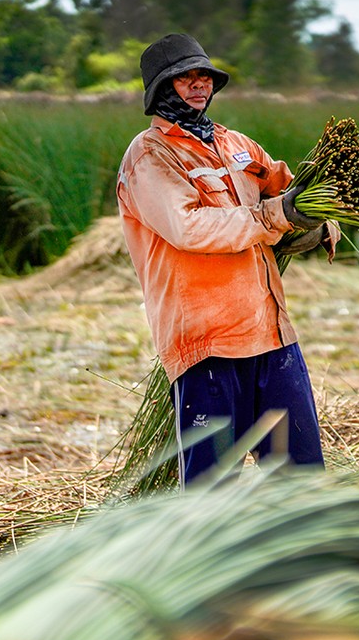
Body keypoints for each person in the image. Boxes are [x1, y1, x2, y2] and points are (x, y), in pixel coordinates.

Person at [117, 33, 337, 484]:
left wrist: (321, 217)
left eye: (204, 77)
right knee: (212, 493)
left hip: (271, 335)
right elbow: (189, 228)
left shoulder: (237, 144)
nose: (199, 86)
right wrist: (275, 215)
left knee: (303, 483)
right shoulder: (149, 155)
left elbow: (285, 188)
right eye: (185, 79)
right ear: (162, 88)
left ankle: (305, 555)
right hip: (207, 343)